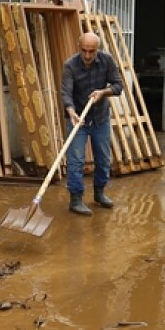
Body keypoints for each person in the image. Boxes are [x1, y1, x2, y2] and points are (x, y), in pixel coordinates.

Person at [60, 31, 124, 215]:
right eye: (84, 50)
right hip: (77, 118)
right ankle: (76, 199)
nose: (87, 55)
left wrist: (103, 92)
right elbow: (66, 93)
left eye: (92, 51)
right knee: (76, 160)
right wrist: (71, 112)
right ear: (79, 47)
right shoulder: (70, 65)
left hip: (100, 117)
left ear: (98, 49)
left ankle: (99, 193)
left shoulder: (107, 60)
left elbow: (118, 86)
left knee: (103, 159)